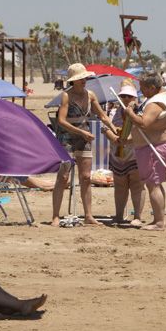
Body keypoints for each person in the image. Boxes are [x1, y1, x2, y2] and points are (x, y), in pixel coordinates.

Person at [50, 63, 115, 226]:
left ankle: (88, 215)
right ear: (74, 81)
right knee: (63, 177)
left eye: (85, 78)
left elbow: (102, 115)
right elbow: (61, 121)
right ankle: (55, 216)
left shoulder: (90, 95)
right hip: (67, 138)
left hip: (84, 139)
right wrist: (81, 132)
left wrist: (114, 130)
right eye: (81, 78)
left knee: (86, 177)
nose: (84, 80)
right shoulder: (66, 96)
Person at [122, 74, 166, 231]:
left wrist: (130, 113)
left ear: (152, 88)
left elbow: (144, 123)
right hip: (158, 144)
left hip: (155, 147)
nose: (141, 91)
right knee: (156, 184)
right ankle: (158, 218)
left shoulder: (155, 103)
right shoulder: (162, 97)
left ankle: (159, 222)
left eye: (143, 88)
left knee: (153, 185)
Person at [102, 84, 145, 227]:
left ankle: (137, 216)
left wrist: (128, 140)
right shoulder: (114, 112)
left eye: (129, 96)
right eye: (123, 96)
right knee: (120, 186)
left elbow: (143, 131)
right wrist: (114, 138)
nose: (126, 99)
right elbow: (105, 128)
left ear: (135, 98)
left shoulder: (140, 113)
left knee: (137, 185)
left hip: (134, 154)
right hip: (117, 154)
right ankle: (119, 215)